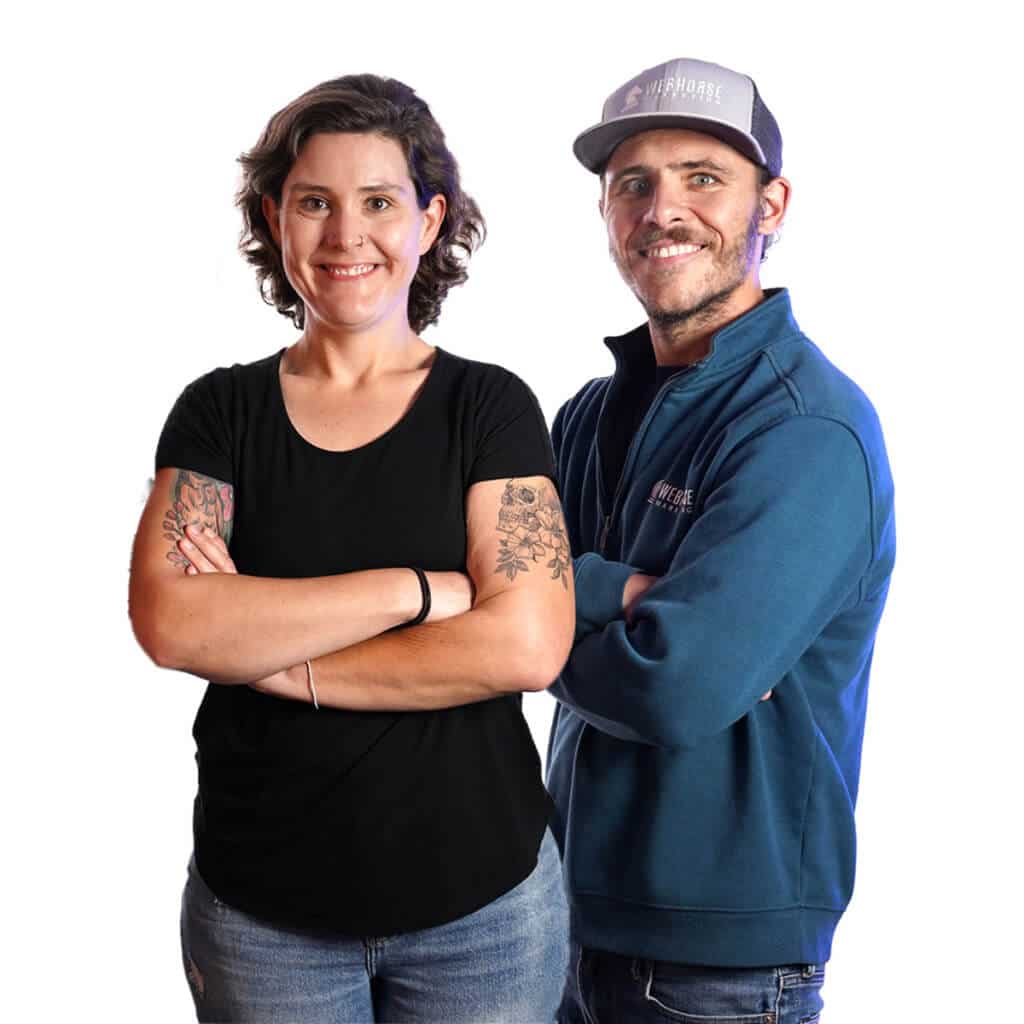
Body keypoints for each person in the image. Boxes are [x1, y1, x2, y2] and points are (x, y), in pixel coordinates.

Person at [128, 73, 574, 1024]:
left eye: (379, 202)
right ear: (274, 217)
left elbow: (528, 648)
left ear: (429, 219)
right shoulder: (220, 412)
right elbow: (173, 621)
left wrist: (276, 657)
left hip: (483, 913)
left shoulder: (489, 408)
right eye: (314, 203)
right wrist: (415, 590)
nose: (346, 237)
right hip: (263, 918)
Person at [547, 57, 895, 1023]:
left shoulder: (805, 428)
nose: (664, 209)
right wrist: (625, 592)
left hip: (719, 967)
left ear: (771, 204)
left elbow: (678, 686)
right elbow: (485, 607)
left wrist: (547, 602)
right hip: (558, 919)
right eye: (633, 184)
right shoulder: (584, 417)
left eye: (703, 177)